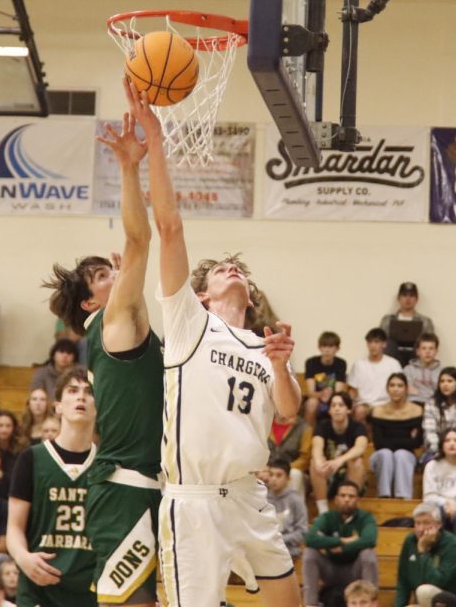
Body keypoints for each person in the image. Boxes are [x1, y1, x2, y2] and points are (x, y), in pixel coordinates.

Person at [132, 81, 302, 607]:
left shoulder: (264, 345)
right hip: (196, 501)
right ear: (201, 295)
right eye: (221, 269)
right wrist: (155, 141)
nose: (233, 269)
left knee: (289, 602)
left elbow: (290, 412)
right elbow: (169, 225)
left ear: (250, 294)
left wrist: (280, 366)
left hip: (249, 494)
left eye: (240, 269)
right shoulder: (189, 324)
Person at [6, 367, 97, 607]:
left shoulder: (107, 465)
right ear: (57, 406)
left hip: (89, 590)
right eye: (73, 390)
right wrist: (22, 557)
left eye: (89, 392)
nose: (81, 397)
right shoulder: (31, 458)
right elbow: (14, 527)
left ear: (99, 407)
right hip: (39, 588)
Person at [302, 481, 379, 606]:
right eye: (343, 496)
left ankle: (370, 601)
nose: (347, 499)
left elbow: (370, 540)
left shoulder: (366, 517)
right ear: (336, 499)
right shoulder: (327, 517)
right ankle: (311, 604)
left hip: (355, 569)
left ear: (357, 499)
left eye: (351, 496)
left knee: (368, 554)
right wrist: (341, 540)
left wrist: (342, 548)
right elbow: (310, 539)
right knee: (309, 553)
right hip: (331, 569)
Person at [394, 502, 456, 607]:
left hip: (455, 602)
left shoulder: (453, 544)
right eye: (417, 523)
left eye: (426, 523)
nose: (421, 529)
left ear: (439, 524)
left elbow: (438, 582)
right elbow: (403, 581)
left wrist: (423, 552)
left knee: (424, 591)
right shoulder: (410, 541)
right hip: (426, 603)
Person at [311, 392, 369, 514]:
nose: (337, 408)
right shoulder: (323, 426)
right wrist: (318, 462)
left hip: (350, 475)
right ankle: (323, 511)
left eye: (341, 405)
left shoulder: (357, 427)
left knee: (357, 462)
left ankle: (352, 507)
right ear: (329, 411)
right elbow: (317, 446)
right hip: (328, 474)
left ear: (348, 409)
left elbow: (360, 447)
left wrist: (340, 460)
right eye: (333, 405)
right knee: (314, 462)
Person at [368, 372, 423, 499]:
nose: (396, 389)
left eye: (400, 386)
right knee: (386, 454)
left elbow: (417, 442)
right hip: (381, 456)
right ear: (387, 389)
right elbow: (379, 444)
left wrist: (392, 441)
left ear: (406, 389)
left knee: (400, 455)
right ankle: (384, 497)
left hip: (407, 456)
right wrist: (406, 439)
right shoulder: (378, 411)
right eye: (392, 385)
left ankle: (403, 498)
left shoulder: (417, 410)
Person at [421, 367, 456, 465]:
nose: (445, 385)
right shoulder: (431, 403)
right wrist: (444, 449)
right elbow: (430, 432)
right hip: (436, 449)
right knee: (431, 462)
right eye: (442, 381)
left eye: (449, 381)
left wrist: (454, 447)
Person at [347, 328, 402, 423]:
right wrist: (350, 404)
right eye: (370, 342)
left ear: (384, 344)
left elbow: (401, 387)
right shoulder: (359, 364)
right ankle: (362, 437)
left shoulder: (393, 364)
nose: (373, 346)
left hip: (386, 404)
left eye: (376, 342)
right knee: (359, 411)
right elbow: (352, 389)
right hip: (364, 404)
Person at [379, 282, 436, 367]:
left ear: (417, 299)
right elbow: (380, 343)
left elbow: (431, 344)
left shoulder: (425, 322)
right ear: (398, 298)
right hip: (392, 358)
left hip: (416, 359)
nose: (408, 299)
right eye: (404, 295)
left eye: (411, 296)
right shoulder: (387, 320)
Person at [264, 456, 308, 560]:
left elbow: (302, 531)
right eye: (271, 475)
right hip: (264, 549)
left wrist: (279, 539)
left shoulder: (296, 500)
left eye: (279, 475)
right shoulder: (262, 498)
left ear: (288, 478)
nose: (274, 479)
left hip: (288, 551)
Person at [303, 331, 348, 426]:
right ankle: (308, 435)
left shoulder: (341, 363)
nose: (327, 350)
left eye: (331, 347)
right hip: (317, 398)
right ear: (319, 347)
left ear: (337, 349)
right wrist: (321, 394)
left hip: (333, 398)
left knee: (339, 403)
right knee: (312, 403)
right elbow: (310, 392)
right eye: (324, 346)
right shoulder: (311, 363)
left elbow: (339, 392)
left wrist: (330, 396)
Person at [269, 410, 312, 496]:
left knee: (294, 474)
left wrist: (285, 469)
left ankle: (294, 508)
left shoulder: (304, 428)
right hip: (267, 467)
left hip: (292, 468)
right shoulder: (265, 423)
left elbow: (305, 458)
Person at [0, 410, 27, 492]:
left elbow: (20, 479)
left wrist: (0, 474)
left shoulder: (22, 449)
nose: (4, 430)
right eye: (0, 426)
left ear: (14, 428)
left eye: (8, 426)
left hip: (15, 489)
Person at [403, 333, 443, 405]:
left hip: (434, 406)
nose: (427, 352)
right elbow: (408, 390)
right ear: (418, 351)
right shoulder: (408, 370)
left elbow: (441, 395)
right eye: (424, 348)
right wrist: (431, 392)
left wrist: (418, 391)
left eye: (431, 348)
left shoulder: (442, 371)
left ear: (436, 351)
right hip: (412, 404)